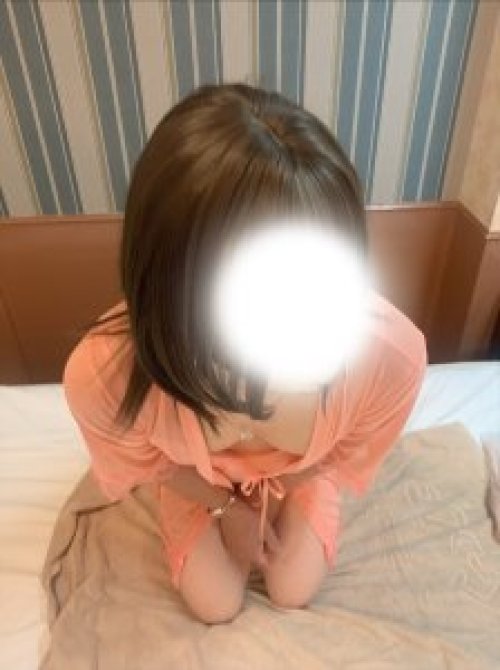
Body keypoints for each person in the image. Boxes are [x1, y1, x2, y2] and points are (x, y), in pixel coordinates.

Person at [62, 82, 427, 624]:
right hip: (194, 475)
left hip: (301, 469)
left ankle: (300, 495)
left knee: (293, 588)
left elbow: (345, 447)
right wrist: (226, 504)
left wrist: (282, 491)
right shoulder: (106, 374)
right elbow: (153, 462)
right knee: (214, 603)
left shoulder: (386, 355)